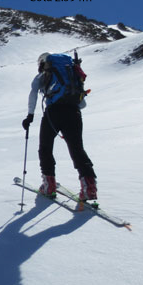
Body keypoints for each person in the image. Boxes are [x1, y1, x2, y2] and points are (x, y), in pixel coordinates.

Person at [22, 52, 97, 201]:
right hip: (73, 112)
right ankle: (89, 187)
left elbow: (33, 92)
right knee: (77, 148)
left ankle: (49, 185)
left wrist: (30, 115)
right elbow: (82, 103)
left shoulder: (45, 74)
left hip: (53, 113)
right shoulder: (72, 74)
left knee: (45, 147)